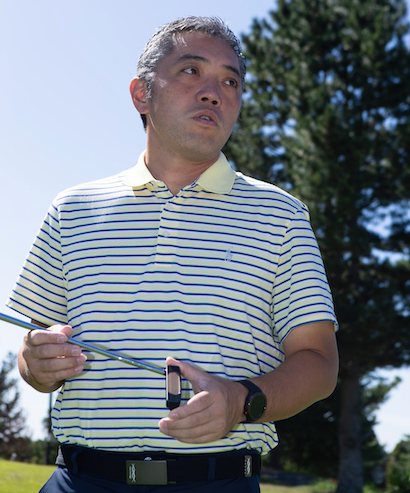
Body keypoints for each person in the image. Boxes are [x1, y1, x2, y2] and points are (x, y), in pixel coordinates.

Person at [7, 16, 338, 493]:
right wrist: (37, 365)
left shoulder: (281, 215)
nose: (214, 93)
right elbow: (33, 354)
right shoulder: (72, 209)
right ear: (142, 94)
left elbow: (319, 363)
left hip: (219, 483)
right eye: (191, 71)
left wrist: (241, 401)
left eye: (230, 81)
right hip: (78, 481)